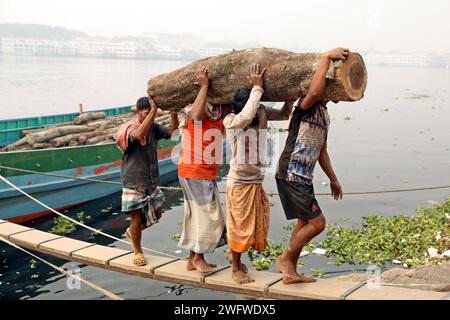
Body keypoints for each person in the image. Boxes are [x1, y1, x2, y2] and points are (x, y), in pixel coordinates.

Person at [275, 48, 348, 284]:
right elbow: (315, 90)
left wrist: (334, 178)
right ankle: (285, 258)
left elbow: (322, 151)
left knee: (304, 222)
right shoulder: (303, 106)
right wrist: (326, 58)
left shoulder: (324, 115)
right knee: (318, 223)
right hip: (291, 172)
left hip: (303, 176)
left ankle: (291, 274)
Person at [223, 63, 294, 284]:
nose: (256, 111)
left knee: (254, 226)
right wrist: (257, 88)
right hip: (239, 184)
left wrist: (291, 95)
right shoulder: (232, 121)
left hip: (255, 182)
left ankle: (234, 256)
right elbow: (245, 116)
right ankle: (235, 268)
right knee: (240, 227)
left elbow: (284, 114)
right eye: (254, 106)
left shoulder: (261, 113)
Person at [177, 66, 234, 273]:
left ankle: (192, 259)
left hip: (203, 172)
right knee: (208, 215)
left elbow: (232, 108)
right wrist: (204, 86)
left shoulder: (219, 112)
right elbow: (196, 117)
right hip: (194, 170)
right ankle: (199, 257)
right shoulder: (193, 108)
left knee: (197, 214)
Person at [114, 96, 179, 266]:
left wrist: (173, 113)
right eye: (146, 112)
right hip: (133, 180)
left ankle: (132, 233)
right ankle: (137, 251)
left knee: (157, 214)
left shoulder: (154, 128)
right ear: (137, 111)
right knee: (136, 219)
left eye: (150, 113)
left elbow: (172, 132)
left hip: (151, 179)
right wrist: (154, 111)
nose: (149, 116)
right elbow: (138, 135)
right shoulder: (130, 128)